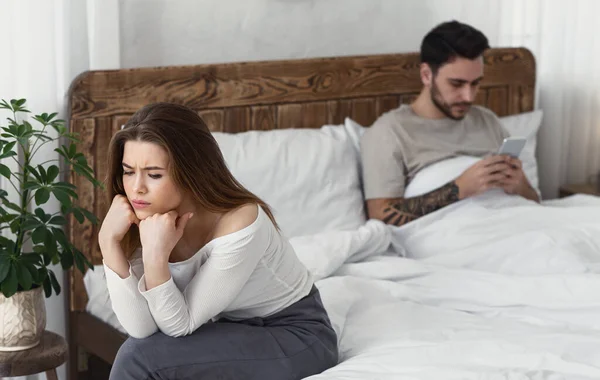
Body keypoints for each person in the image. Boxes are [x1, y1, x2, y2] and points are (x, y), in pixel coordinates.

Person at [98, 102, 338, 380]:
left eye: (154, 174)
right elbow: (141, 330)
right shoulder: (145, 215)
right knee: (139, 352)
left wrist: (155, 258)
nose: (137, 187)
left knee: (138, 359)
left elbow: (179, 325)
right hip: (229, 328)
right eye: (128, 171)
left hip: (297, 336)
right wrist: (109, 243)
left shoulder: (241, 223)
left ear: (191, 172)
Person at [360, 20, 540, 227]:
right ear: (427, 75)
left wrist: (519, 187)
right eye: (457, 84)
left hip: (514, 221)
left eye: (475, 83)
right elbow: (381, 216)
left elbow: (534, 201)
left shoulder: (487, 120)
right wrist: (458, 189)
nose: (468, 96)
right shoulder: (390, 132)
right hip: (456, 234)